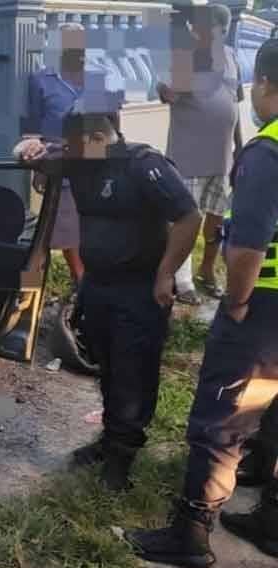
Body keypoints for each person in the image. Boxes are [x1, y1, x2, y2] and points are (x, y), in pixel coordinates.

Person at [125, 39, 278, 568]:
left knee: (223, 416)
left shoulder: (268, 150)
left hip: (262, 312)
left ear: (263, 83)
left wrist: (236, 304)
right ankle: (272, 518)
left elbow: (248, 247)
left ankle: (191, 531)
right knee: (274, 409)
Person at [15, 111, 202, 491]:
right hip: (97, 285)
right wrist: (29, 149)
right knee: (107, 366)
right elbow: (26, 153)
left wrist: (167, 274)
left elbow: (189, 216)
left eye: (76, 146)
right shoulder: (81, 157)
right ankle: (109, 439)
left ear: (100, 136)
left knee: (134, 373)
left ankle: (121, 462)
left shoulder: (144, 165)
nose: (69, 154)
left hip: (140, 290)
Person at [158, 4, 244, 305]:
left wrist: (239, 147)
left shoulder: (232, 58)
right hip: (188, 157)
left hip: (221, 158)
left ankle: (207, 270)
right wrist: (163, 89)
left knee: (217, 218)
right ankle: (181, 281)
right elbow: (169, 94)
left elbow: (234, 106)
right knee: (186, 219)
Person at [23, 23, 89, 286]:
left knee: (85, 232)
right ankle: (74, 283)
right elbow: (32, 130)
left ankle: (80, 284)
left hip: (91, 168)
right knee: (57, 234)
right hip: (57, 170)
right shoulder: (40, 81)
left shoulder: (96, 79)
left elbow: (112, 126)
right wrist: (39, 168)